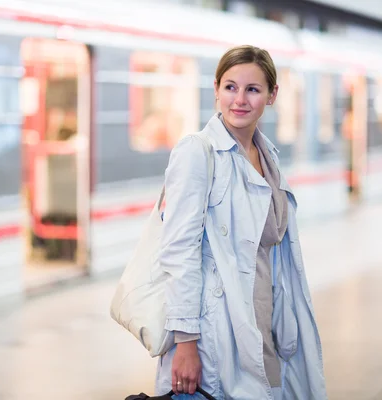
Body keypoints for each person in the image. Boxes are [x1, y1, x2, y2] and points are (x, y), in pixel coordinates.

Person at [154, 45, 327, 400]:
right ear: (216, 89)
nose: (240, 100)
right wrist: (185, 342)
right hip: (216, 331)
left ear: (272, 95)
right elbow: (179, 251)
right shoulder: (196, 152)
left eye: (253, 89)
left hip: (265, 321)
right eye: (231, 87)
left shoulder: (268, 158)